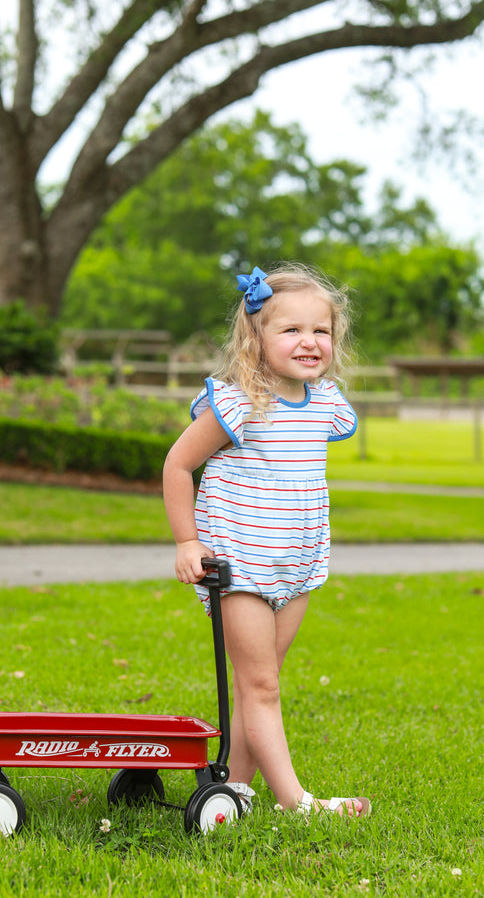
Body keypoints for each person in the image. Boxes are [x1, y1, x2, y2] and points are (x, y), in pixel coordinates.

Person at [163, 263, 371, 819]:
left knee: (263, 683)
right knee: (261, 685)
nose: (309, 342)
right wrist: (187, 542)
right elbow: (179, 464)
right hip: (240, 565)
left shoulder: (326, 404)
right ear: (257, 338)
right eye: (291, 330)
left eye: (320, 330)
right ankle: (297, 802)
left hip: (297, 566)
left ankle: (236, 786)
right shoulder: (238, 404)